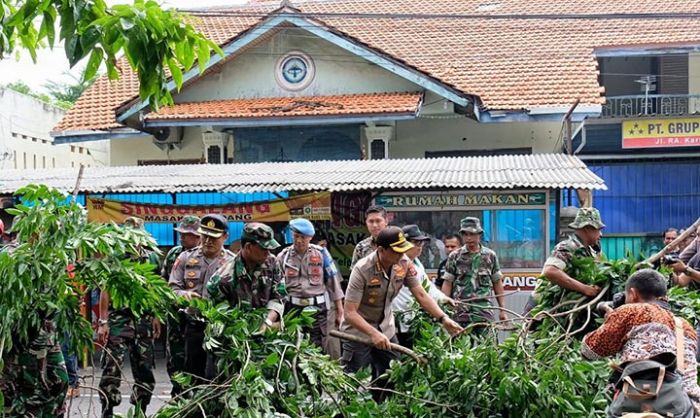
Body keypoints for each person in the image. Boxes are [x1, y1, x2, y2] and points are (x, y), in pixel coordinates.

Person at [341, 226, 462, 401]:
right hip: (357, 332)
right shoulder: (362, 270)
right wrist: (373, 333)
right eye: (396, 252)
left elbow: (420, 294)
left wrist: (443, 318)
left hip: (386, 329)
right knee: (353, 383)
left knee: (393, 376)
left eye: (403, 251)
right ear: (381, 250)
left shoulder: (404, 263)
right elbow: (350, 313)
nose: (401, 256)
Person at [581, 269, 700, 416]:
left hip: (640, 403)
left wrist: (610, 321)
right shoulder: (685, 326)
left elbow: (588, 351)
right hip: (686, 407)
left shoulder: (631, 311)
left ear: (632, 293)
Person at [0, 227, 68, 417]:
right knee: (26, 392)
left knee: (60, 381)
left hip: (47, 335)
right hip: (22, 338)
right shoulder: (11, 254)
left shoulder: (52, 257)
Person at [97, 217, 161, 418]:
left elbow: (156, 288)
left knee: (144, 368)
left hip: (143, 319)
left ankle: (140, 410)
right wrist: (103, 321)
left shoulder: (152, 258)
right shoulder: (115, 258)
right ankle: (107, 410)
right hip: (119, 319)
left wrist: (157, 316)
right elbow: (105, 290)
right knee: (112, 365)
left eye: (137, 234)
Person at [206, 223, 287, 375]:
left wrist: (267, 322)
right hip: (232, 346)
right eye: (264, 249)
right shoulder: (223, 279)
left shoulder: (272, 263)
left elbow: (279, 296)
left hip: (266, 341)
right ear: (248, 247)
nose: (268, 253)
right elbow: (219, 320)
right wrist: (246, 331)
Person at [168, 214, 232, 385]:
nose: (208, 241)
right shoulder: (185, 258)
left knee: (218, 377)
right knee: (193, 375)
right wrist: (184, 295)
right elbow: (171, 289)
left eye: (214, 237)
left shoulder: (232, 263)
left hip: (220, 329)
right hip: (193, 326)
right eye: (205, 236)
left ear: (225, 237)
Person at [276, 218, 344, 349]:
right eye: (296, 236)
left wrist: (340, 311)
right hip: (292, 308)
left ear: (310, 237)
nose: (299, 240)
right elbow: (277, 286)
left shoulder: (321, 254)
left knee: (316, 345)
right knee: (292, 343)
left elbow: (333, 283)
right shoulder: (283, 256)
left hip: (317, 308)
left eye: (303, 237)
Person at [529, 207, 604, 312]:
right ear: (587, 228)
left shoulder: (590, 252)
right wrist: (584, 289)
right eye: (598, 230)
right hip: (541, 307)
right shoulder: (568, 247)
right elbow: (550, 271)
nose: (601, 235)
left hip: (563, 308)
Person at [440, 217, 507, 332]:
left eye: (472, 234)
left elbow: (497, 283)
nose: (469, 238)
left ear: (479, 234)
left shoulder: (490, 256)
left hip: (483, 311)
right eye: (465, 234)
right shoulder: (455, 256)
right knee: (461, 347)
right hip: (461, 312)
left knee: (487, 347)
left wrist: (502, 310)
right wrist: (443, 311)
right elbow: (447, 283)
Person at [392, 224, 454, 348]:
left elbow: (428, 287)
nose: (420, 247)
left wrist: (443, 298)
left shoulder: (417, 263)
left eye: (421, 243)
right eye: (416, 243)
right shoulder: (396, 264)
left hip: (415, 321)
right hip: (399, 321)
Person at [161, 215, 201, 396]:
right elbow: (163, 284)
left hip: (198, 318)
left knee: (196, 358)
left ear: (198, 236)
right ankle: (178, 394)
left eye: (186, 234)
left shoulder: (206, 254)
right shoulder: (174, 254)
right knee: (174, 357)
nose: (182, 237)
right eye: (181, 233)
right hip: (175, 315)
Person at [350, 205, 388, 271]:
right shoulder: (361, 247)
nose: (374, 225)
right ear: (366, 223)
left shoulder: (396, 243)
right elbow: (354, 273)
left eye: (378, 221)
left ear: (386, 221)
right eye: (371, 221)